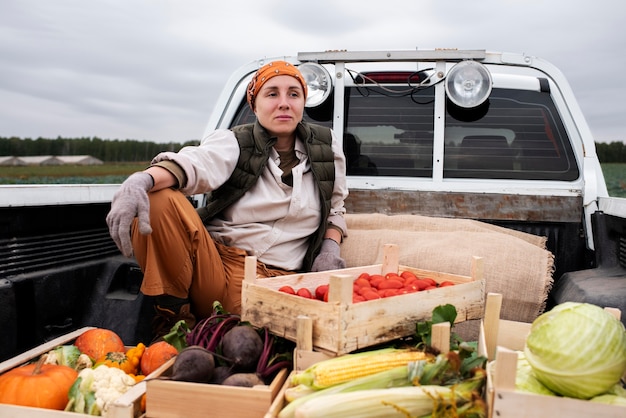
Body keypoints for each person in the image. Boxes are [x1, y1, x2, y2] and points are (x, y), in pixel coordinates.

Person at [106, 60, 349, 339]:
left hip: (278, 283)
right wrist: (144, 180)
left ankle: (214, 328)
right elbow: (197, 163)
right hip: (216, 267)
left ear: (303, 103)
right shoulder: (234, 142)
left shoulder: (326, 149)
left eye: (293, 94)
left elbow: (336, 208)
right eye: (272, 94)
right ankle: (175, 324)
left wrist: (330, 250)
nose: (284, 103)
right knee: (157, 198)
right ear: (254, 105)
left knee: (247, 332)